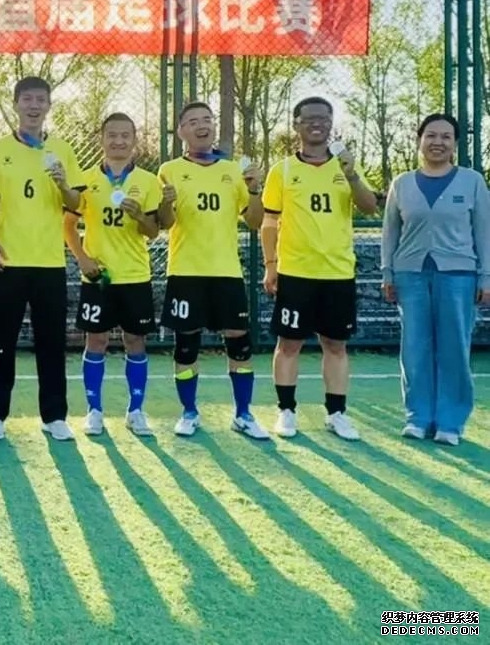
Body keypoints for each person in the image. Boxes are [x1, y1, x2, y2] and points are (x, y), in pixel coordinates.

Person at [261, 97, 378, 441]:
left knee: (336, 345)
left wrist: (352, 174)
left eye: (324, 118)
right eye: (309, 118)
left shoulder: (347, 166)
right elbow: (269, 222)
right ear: (296, 124)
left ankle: (336, 413)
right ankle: (286, 410)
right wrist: (271, 265)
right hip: (296, 272)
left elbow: (369, 207)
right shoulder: (282, 170)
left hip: (338, 272)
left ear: (331, 123)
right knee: (289, 344)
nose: (317, 123)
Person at [0, 76, 84, 441]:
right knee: (1, 343)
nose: (34, 106)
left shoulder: (63, 150)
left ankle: (54, 416)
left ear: (49, 106)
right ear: (16, 104)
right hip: (9, 262)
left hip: (50, 263)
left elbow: (77, 203)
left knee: (52, 343)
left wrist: (63, 185)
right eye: (27, 99)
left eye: (41, 99)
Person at [158, 102, 266, 439]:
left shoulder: (234, 170)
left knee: (239, 341)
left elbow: (255, 221)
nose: (201, 125)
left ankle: (243, 414)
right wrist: (165, 202)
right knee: (186, 344)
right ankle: (189, 412)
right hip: (185, 270)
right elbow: (164, 222)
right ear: (181, 131)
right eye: (192, 121)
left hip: (226, 272)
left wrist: (254, 189)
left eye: (207, 119)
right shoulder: (169, 170)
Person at [381, 113, 490, 446]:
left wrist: (485, 277)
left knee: (454, 348)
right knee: (414, 348)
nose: (437, 142)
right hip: (410, 275)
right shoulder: (402, 184)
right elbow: (390, 232)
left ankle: (450, 422)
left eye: (445, 137)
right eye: (431, 135)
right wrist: (387, 272)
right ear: (419, 140)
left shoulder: (472, 182)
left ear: (454, 144)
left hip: (459, 276)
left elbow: (483, 232)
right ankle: (418, 417)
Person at [64, 112, 173, 437]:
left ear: (134, 140)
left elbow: (153, 231)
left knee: (135, 341)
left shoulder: (148, 181)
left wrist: (139, 215)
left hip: (135, 275)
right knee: (95, 340)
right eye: (112, 135)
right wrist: (82, 259)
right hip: (98, 277)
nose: (119, 141)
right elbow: (68, 226)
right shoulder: (85, 179)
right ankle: (94, 411)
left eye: (126, 135)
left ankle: (135, 411)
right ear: (101, 139)